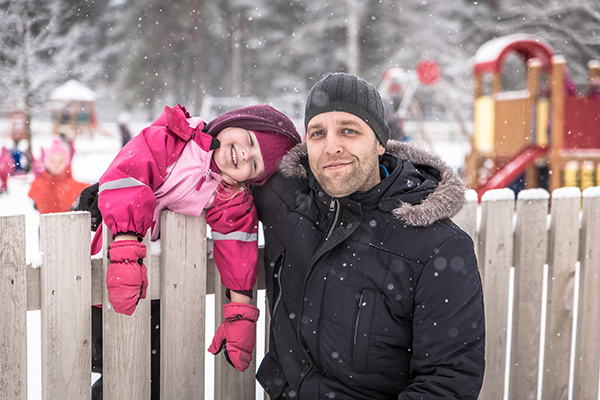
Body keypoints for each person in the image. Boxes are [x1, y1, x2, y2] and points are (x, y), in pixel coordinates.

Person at [253, 73, 485, 399]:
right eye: (317, 133)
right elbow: (224, 145)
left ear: (379, 142)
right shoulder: (286, 199)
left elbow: (447, 383)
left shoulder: (438, 248)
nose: (331, 146)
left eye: (349, 130)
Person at [80, 103, 301, 399]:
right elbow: (129, 175)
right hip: (112, 259)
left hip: (159, 284)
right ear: (233, 122)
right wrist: (125, 248)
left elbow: (237, 240)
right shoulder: (173, 139)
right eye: (249, 140)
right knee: (116, 365)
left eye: (255, 163)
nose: (244, 154)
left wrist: (240, 315)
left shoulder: (228, 192)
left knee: (149, 370)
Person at [28, 136, 89, 213]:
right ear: (47, 162)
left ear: (66, 163)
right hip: (45, 222)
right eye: (53, 161)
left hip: (67, 222)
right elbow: (33, 195)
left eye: (61, 161)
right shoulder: (39, 183)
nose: (57, 165)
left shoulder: (72, 183)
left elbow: (86, 191)